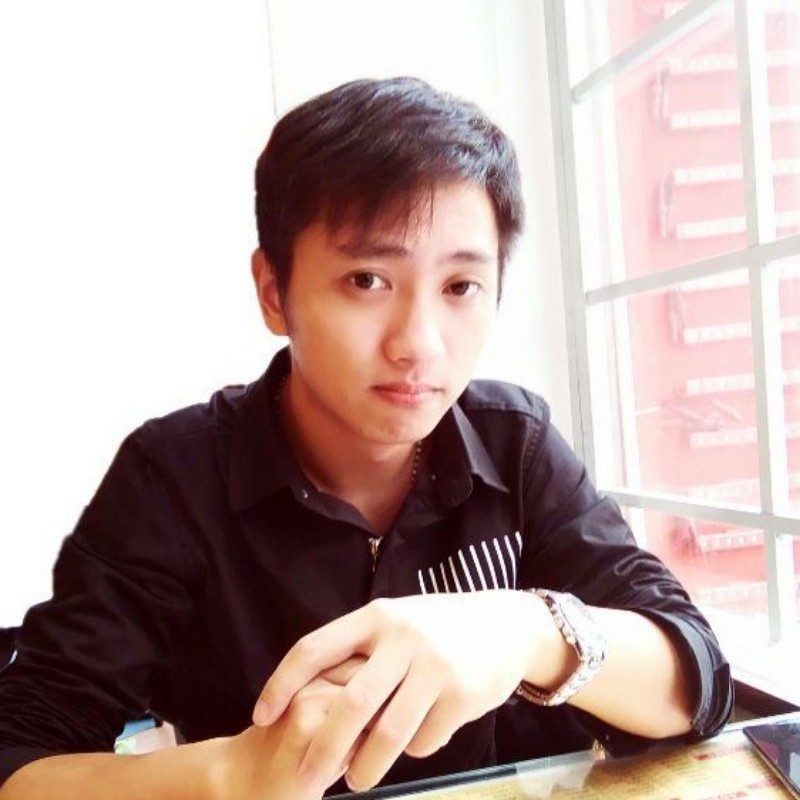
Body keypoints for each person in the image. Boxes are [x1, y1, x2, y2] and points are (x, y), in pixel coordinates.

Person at [0, 77, 733, 800]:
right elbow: (18, 756)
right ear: (274, 292)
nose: (419, 344)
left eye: (460, 288)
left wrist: (527, 632)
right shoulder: (173, 478)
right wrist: (230, 774)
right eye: (366, 280)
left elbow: (696, 680)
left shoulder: (516, 443)